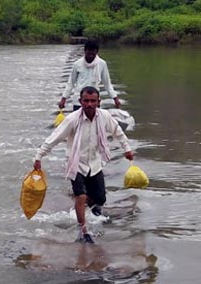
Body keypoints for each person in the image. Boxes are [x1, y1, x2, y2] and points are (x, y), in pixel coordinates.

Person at [35, 86, 134, 244]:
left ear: (98, 102)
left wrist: (127, 149)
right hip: (76, 163)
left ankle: (83, 206)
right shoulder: (72, 119)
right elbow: (55, 137)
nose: (89, 104)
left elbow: (118, 132)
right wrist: (39, 156)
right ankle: (83, 230)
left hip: (95, 163)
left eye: (93, 101)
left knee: (100, 199)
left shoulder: (104, 116)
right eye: (86, 101)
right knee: (80, 195)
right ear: (80, 102)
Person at [59, 40, 122, 111]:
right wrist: (63, 98)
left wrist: (115, 99)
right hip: (79, 101)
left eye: (93, 54)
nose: (90, 56)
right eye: (88, 53)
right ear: (85, 51)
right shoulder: (77, 64)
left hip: (94, 101)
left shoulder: (102, 64)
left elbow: (107, 84)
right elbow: (71, 83)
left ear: (97, 52)